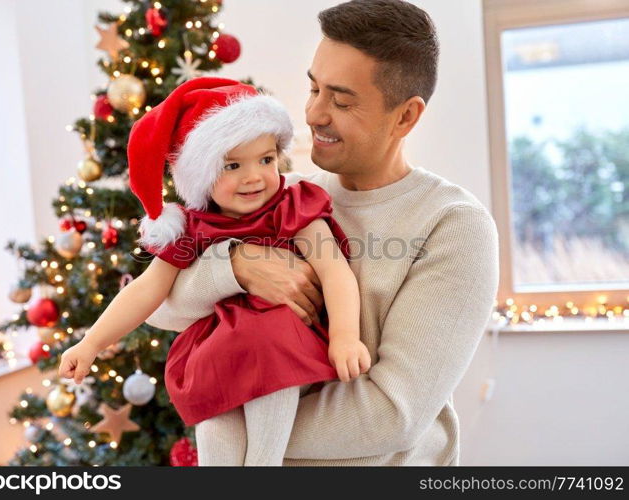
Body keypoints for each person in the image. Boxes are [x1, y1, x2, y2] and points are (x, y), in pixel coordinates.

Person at [146, 0, 500, 466]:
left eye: (341, 99)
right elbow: (162, 309)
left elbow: (392, 413)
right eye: (313, 88)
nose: (313, 114)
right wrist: (236, 266)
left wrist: (232, 423)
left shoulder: (453, 227)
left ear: (406, 117)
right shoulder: (283, 195)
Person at [57, 76, 371, 466]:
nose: (254, 176)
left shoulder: (293, 208)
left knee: (268, 410)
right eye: (233, 165)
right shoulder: (190, 228)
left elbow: (335, 271)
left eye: (267, 160)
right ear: (201, 173)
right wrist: (91, 344)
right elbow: (146, 290)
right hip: (218, 351)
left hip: (281, 348)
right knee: (214, 424)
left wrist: (345, 336)